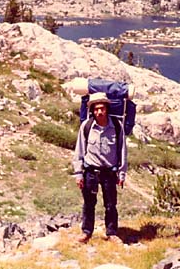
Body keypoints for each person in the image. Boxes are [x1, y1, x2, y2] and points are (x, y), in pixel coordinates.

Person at [72, 92, 127, 244]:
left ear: (107, 108)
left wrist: (122, 173)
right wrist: (78, 174)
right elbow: (79, 150)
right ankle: (86, 232)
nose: (99, 112)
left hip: (109, 173)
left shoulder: (116, 126)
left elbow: (122, 150)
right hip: (90, 172)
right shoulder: (87, 126)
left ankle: (111, 233)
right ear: (92, 110)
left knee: (110, 205)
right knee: (89, 204)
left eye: (102, 108)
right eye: (96, 109)